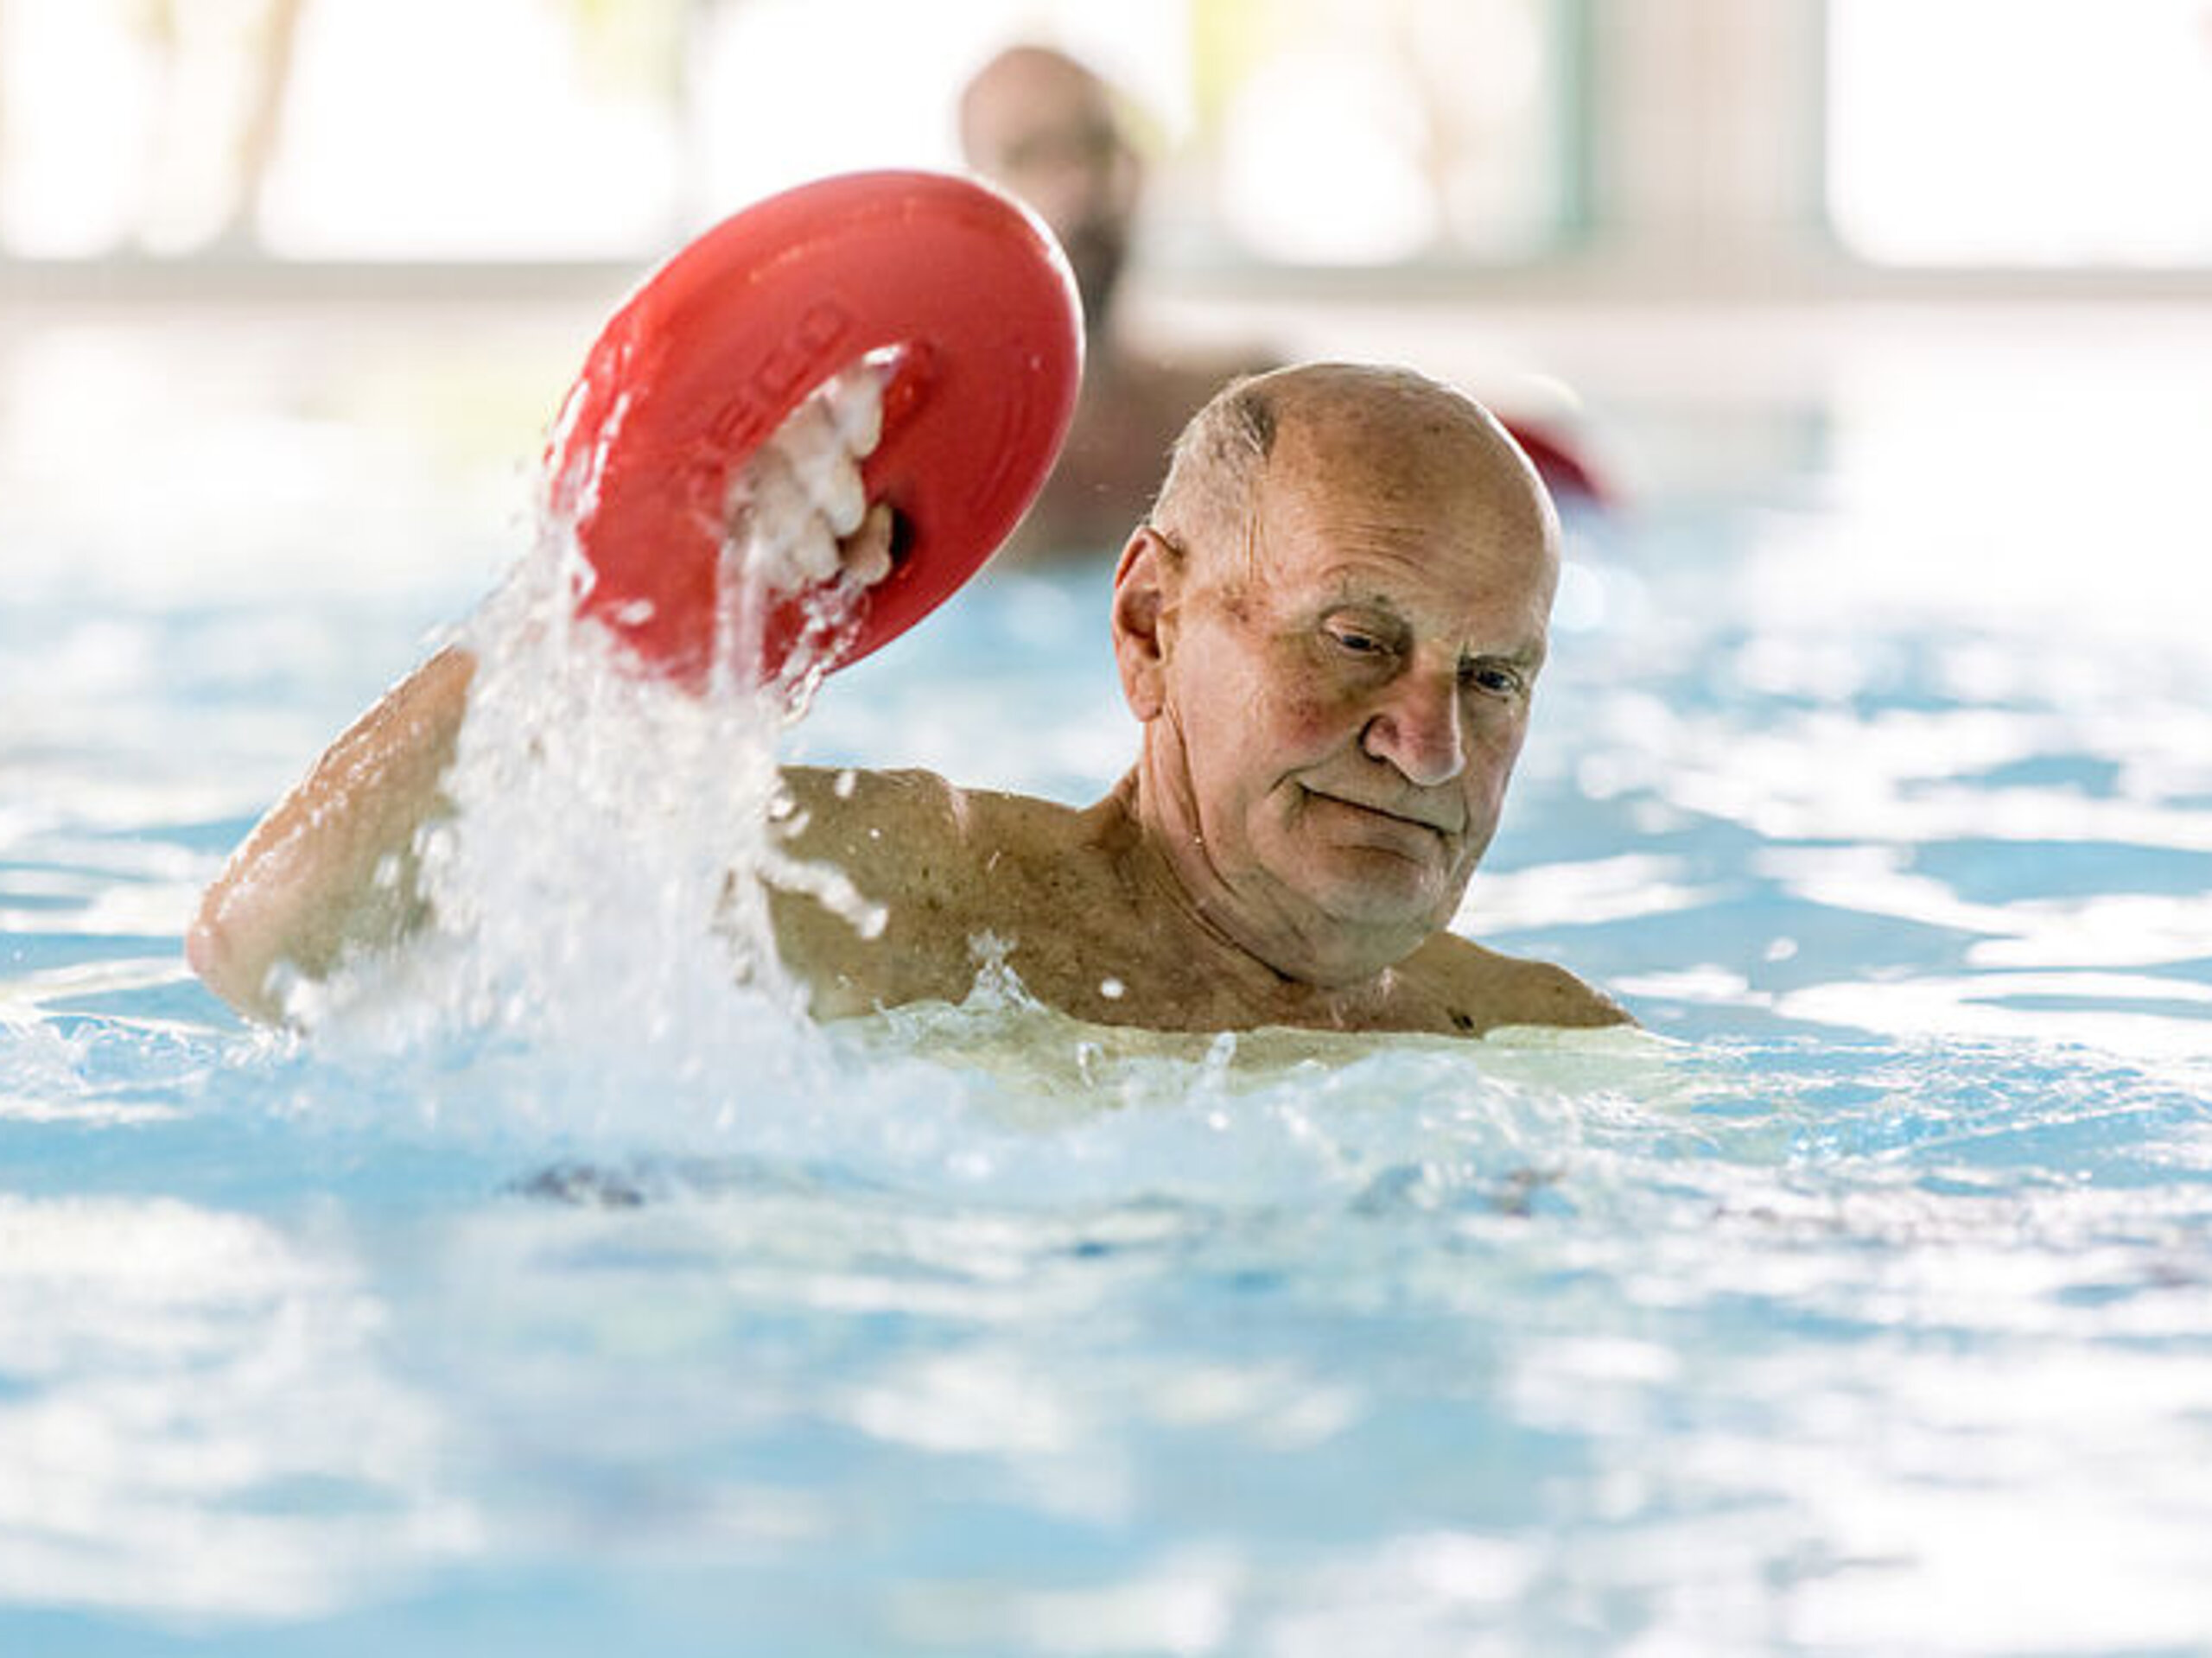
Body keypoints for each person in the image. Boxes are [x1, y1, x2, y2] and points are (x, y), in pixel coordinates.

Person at [188, 361, 1626, 1038]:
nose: (1429, 744)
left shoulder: (1541, 1041)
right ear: (1146, 625)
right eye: (1359, 640)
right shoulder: (894, 906)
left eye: (1492, 678)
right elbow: (281, 946)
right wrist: (609, 600)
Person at [958, 43, 1270, 560]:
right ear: (969, 200)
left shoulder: (1244, 410)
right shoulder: (929, 454)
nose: (1081, 185)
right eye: (1031, 154)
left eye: (1098, 145)